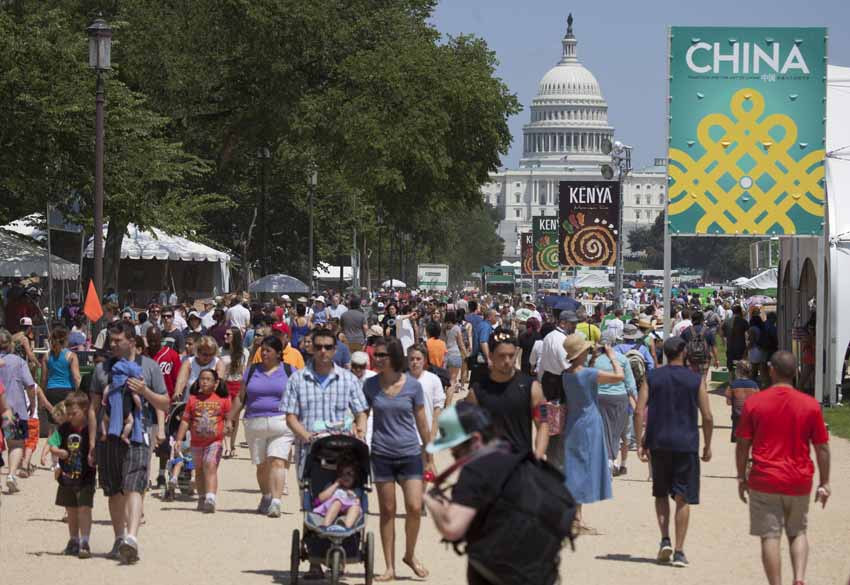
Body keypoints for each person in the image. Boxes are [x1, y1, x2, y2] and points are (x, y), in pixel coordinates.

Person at [423, 402, 565, 585]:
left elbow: (452, 528)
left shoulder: (477, 470)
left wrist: (431, 501)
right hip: (540, 573)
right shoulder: (516, 457)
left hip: (496, 575)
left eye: (455, 448)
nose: (453, 454)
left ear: (475, 439)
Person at [735, 351, 830, 585]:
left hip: (764, 477)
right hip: (798, 478)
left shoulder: (755, 403)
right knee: (797, 531)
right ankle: (799, 579)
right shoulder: (810, 405)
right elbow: (822, 448)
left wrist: (741, 477)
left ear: (771, 370)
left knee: (770, 535)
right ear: (795, 372)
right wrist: (824, 481)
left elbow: (742, 444)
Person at [283, 328, 369, 580]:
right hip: (311, 453)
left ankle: (342, 551)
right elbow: (290, 416)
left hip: (344, 455)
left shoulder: (348, 379)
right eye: (318, 346)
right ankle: (313, 561)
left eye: (328, 347)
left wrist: (360, 428)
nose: (322, 351)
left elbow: (361, 410)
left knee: (348, 498)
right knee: (312, 504)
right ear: (311, 347)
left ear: (335, 349)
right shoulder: (298, 379)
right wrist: (306, 435)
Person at [88, 321, 169, 564]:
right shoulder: (101, 370)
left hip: (139, 435)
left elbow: (164, 403)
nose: (112, 345)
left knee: (135, 485)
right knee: (114, 490)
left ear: (132, 342)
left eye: (117, 340)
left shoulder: (150, 367)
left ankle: (131, 538)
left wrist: (144, 391)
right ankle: (119, 537)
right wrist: (92, 443)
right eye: (110, 340)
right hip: (108, 437)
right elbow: (93, 409)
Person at [635, 336, 713, 568]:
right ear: (684, 353)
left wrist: (640, 441)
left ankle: (664, 539)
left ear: (666, 353)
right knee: (682, 497)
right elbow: (707, 416)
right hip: (686, 443)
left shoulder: (652, 377)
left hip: (658, 442)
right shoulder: (695, 379)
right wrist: (707, 444)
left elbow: (639, 411)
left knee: (660, 493)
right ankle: (679, 551)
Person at [362, 336, 431, 581]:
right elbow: (362, 415)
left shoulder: (413, 386)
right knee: (388, 511)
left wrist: (429, 455)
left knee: (414, 507)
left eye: (382, 355)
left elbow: (422, 422)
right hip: (381, 454)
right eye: (376, 354)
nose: (377, 358)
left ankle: (409, 555)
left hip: (410, 452)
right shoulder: (370, 386)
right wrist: (358, 435)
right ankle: (389, 566)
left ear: (394, 357)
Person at [561, 334, 624, 532]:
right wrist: (613, 357)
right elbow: (619, 377)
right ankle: (576, 516)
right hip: (589, 422)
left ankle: (576, 515)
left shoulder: (566, 374)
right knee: (584, 467)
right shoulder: (588, 373)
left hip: (573, 422)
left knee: (574, 467)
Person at [226, 335, 294, 517]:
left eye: (268, 350)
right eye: (262, 349)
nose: (263, 353)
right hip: (254, 422)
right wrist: (229, 419)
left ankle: (276, 502)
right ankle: (266, 495)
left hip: (281, 422)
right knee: (261, 465)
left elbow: (299, 396)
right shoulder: (251, 370)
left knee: (278, 461)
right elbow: (241, 397)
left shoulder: (289, 370)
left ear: (279, 353)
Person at [466, 329, 548, 458]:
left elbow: (543, 422)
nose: (507, 360)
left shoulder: (532, 387)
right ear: (491, 356)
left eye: (511, 355)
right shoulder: (477, 392)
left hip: (520, 466)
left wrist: (538, 455)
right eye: (502, 355)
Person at [174, 369, 231, 513]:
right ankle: (201, 497)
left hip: (215, 441)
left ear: (216, 383)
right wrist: (179, 439)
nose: (204, 382)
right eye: (202, 379)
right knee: (199, 470)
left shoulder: (223, 400)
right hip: (196, 443)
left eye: (208, 379)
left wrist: (228, 427)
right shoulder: (193, 400)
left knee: (210, 465)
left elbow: (229, 418)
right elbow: (185, 421)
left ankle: (211, 497)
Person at [50, 392, 95, 558]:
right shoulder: (63, 428)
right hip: (66, 476)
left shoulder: (91, 427)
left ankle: (85, 541)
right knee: (71, 509)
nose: (70, 417)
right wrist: (57, 451)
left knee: (84, 508)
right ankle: (73, 540)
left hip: (86, 476)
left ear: (84, 410)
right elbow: (52, 443)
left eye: (73, 413)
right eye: (68, 414)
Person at [594, 330, 637, 476]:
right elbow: (630, 385)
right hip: (620, 399)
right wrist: (637, 402)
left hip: (599, 398)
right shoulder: (622, 359)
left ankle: (607, 461)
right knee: (619, 432)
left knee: (604, 431)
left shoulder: (593, 360)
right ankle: (615, 462)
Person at [0, 328, 37, 492]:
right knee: (15, 444)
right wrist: (33, 404)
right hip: (13, 408)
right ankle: (11, 475)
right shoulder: (18, 361)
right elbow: (30, 385)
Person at [407, 345, 446, 472]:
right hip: (406, 435)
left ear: (424, 360)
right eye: (412, 359)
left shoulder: (433, 380)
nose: (415, 362)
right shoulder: (401, 380)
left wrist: (433, 433)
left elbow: (438, 408)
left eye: (418, 359)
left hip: (426, 434)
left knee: (427, 470)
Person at [41, 327, 81, 433]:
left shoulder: (46, 356)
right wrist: (80, 393)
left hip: (51, 392)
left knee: (53, 427)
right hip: (67, 392)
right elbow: (76, 377)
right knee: (69, 425)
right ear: (66, 340)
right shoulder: (71, 356)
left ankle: (50, 448)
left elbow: (44, 379)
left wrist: (42, 396)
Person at [313, 452, 363, 530]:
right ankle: (325, 526)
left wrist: (354, 496)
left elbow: (358, 501)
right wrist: (336, 484)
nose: (346, 476)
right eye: (342, 474)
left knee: (356, 507)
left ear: (355, 476)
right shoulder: (332, 485)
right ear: (338, 475)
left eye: (349, 474)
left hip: (346, 513)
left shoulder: (356, 489)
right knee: (337, 502)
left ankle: (346, 528)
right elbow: (319, 499)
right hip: (331, 510)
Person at [172, 336, 226, 404]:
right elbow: (181, 381)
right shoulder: (189, 362)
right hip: (190, 402)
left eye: (211, 354)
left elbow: (218, 384)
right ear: (198, 351)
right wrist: (177, 393)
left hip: (211, 403)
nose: (208, 357)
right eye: (205, 354)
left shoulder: (218, 363)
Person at [724, 361, 759, 442]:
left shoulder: (732, 385)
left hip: (737, 416)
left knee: (736, 438)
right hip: (750, 416)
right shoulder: (755, 385)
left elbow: (728, 402)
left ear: (738, 371)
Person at [680, 311, 719, 382]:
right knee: (702, 380)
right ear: (702, 320)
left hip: (690, 360)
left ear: (692, 320)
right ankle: (702, 392)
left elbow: (680, 346)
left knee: (690, 380)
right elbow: (714, 346)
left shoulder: (686, 331)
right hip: (704, 359)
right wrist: (716, 360)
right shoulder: (708, 331)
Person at [722, 305, 750, 383]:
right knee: (742, 366)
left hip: (730, 347)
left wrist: (724, 342)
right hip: (741, 347)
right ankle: (741, 382)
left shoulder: (726, 321)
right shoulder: (743, 321)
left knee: (730, 367)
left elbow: (722, 334)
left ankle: (731, 383)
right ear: (740, 312)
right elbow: (748, 334)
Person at [443, 311, 467, 392]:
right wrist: (465, 354)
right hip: (455, 354)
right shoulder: (456, 328)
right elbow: (461, 344)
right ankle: (449, 400)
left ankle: (447, 394)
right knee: (453, 380)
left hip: (446, 354)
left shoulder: (444, 328)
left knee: (448, 378)